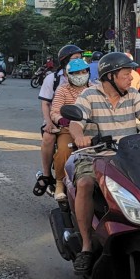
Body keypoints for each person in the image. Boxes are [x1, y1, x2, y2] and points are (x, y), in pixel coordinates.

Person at [64, 52, 140, 277]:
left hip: (128, 155)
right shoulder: (89, 95)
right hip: (95, 154)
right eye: (126, 74)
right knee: (84, 184)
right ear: (110, 76)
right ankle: (86, 246)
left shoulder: (132, 95)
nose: (131, 78)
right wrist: (80, 136)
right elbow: (75, 122)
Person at [34, 44, 82, 195]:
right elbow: (45, 103)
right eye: (75, 59)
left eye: (80, 59)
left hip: (81, 120)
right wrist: (48, 121)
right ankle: (47, 175)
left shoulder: (87, 80)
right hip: (57, 119)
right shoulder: (53, 80)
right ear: (65, 62)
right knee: (48, 137)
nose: (78, 62)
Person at [47, 58, 93, 190]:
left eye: (83, 72)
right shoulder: (62, 90)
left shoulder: (94, 88)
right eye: (76, 73)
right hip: (68, 129)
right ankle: (60, 183)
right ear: (68, 75)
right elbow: (55, 111)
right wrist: (62, 119)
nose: (80, 75)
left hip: (90, 128)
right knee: (64, 151)